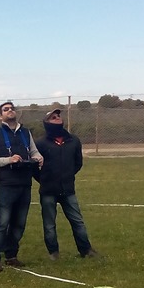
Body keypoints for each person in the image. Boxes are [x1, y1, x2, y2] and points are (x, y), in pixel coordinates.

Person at [0, 101, 43, 271]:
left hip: (25, 184)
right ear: (0, 116)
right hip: (6, 185)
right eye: (6, 109)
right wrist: (9, 160)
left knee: (19, 223)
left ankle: (11, 255)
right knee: (2, 224)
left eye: (12, 108)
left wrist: (38, 157)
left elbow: (33, 151)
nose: (10, 111)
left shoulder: (25, 132)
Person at [34, 108, 98, 260]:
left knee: (77, 221)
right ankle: (53, 253)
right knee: (49, 224)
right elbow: (34, 168)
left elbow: (78, 163)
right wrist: (45, 179)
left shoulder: (73, 140)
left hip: (68, 190)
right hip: (48, 190)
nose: (57, 118)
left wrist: (67, 176)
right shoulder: (40, 143)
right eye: (53, 117)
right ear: (46, 123)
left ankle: (86, 250)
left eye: (58, 116)